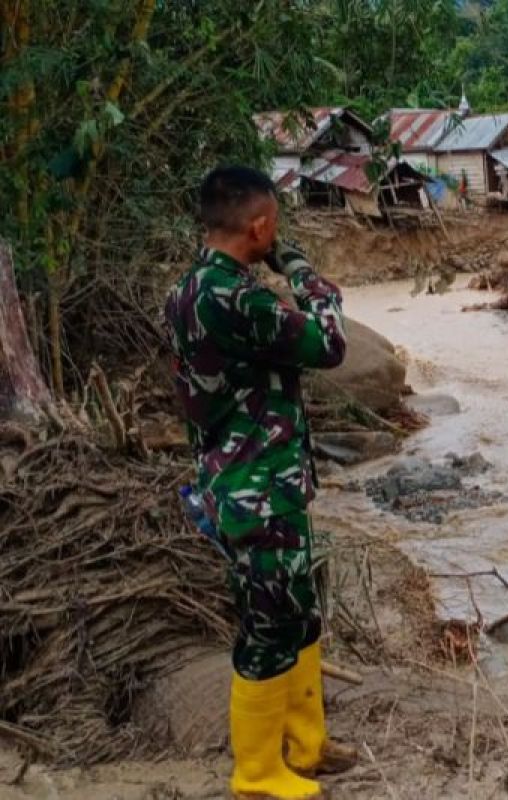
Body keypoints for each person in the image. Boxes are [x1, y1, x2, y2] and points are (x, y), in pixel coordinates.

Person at [164, 166, 355, 800]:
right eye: (274, 225)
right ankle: (256, 772)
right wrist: (304, 272)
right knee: (269, 623)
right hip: (255, 485)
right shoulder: (237, 299)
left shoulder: (191, 289)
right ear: (261, 226)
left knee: (296, 612)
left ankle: (307, 743)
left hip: (253, 476)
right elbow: (329, 343)